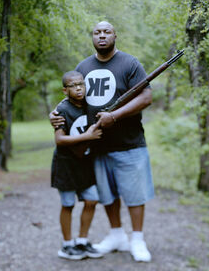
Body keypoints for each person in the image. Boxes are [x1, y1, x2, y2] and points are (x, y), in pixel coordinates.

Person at [50, 21, 154, 262]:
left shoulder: (130, 63)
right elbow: (71, 99)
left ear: (115, 35)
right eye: (97, 32)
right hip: (96, 146)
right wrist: (54, 113)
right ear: (92, 37)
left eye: (107, 31)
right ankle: (117, 234)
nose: (102, 36)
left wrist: (115, 115)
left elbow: (146, 96)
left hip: (130, 142)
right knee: (108, 194)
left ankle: (137, 239)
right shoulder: (84, 66)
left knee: (135, 194)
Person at [51, 70, 104, 260]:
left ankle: (82, 241)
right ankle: (67, 245)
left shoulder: (90, 105)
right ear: (65, 90)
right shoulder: (63, 110)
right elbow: (59, 140)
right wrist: (87, 137)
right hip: (66, 164)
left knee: (91, 200)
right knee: (68, 204)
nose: (79, 88)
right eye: (73, 86)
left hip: (85, 163)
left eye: (81, 84)